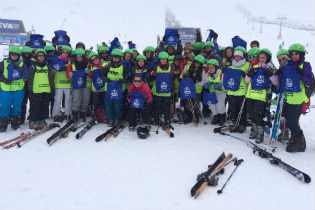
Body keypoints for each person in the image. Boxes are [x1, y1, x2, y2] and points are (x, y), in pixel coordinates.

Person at [277, 43, 312, 152]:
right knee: (288, 120)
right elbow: (283, 80)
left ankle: (300, 142)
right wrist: (279, 73)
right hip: (288, 98)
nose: (293, 55)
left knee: (293, 122)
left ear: (301, 54)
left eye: (296, 53)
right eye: (291, 53)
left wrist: (302, 74)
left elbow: (309, 81)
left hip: (298, 99)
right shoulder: (288, 65)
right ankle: (294, 138)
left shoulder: (305, 65)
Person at [245, 49, 278, 143]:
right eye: (260, 57)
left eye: (264, 57)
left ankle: (260, 132)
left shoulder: (270, 68)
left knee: (258, 115)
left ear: (267, 58)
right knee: (251, 114)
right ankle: (255, 129)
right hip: (250, 94)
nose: (262, 59)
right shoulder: (254, 67)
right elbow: (247, 81)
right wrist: (249, 74)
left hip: (261, 96)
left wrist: (270, 75)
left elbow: (276, 82)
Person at [224, 46, 250, 133]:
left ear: (242, 57)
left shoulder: (247, 65)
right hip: (232, 90)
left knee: (242, 109)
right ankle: (235, 122)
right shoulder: (232, 64)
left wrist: (245, 74)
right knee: (233, 109)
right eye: (235, 56)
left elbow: (250, 78)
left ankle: (242, 123)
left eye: (239, 56)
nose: (237, 58)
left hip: (242, 91)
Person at [0, 46, 26, 131]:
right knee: (5, 106)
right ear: (9, 54)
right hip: (6, 89)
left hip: (18, 89)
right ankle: (3, 123)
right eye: (12, 54)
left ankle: (15, 121)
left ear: (19, 56)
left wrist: (18, 67)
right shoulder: (3, 63)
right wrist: (3, 79)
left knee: (17, 106)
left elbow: (25, 75)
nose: (14, 56)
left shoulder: (22, 64)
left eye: (16, 55)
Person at [28, 49, 55, 129]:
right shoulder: (33, 67)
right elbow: (30, 80)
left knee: (44, 106)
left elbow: (51, 79)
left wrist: (52, 89)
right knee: (35, 106)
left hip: (46, 90)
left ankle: (41, 119)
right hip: (36, 90)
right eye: (39, 56)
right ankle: (32, 120)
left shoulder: (48, 67)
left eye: (42, 56)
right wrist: (30, 90)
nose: (41, 57)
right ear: (36, 57)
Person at [102, 49, 128, 127]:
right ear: (112, 57)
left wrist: (124, 80)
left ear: (120, 58)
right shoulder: (108, 65)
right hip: (109, 89)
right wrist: (105, 79)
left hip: (119, 89)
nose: (115, 59)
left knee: (118, 106)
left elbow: (126, 76)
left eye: (117, 57)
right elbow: (102, 75)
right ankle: (110, 119)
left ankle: (117, 119)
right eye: (114, 57)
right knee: (109, 105)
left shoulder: (123, 66)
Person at [181, 55, 207, 123]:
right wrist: (184, 76)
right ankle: (189, 115)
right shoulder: (188, 67)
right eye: (196, 62)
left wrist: (194, 84)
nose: (197, 64)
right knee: (187, 103)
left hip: (197, 90)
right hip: (188, 88)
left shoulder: (202, 71)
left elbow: (202, 82)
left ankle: (196, 116)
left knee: (195, 104)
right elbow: (181, 75)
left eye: (199, 63)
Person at [66, 49, 91, 121]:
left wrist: (89, 72)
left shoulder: (87, 64)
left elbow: (91, 74)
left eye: (81, 56)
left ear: (83, 57)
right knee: (76, 99)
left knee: (86, 99)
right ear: (75, 56)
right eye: (78, 56)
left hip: (86, 83)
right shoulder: (72, 65)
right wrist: (70, 74)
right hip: (77, 84)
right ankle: (75, 114)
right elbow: (68, 74)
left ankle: (83, 113)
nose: (79, 57)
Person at [150, 52, 173, 125]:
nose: (163, 61)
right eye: (162, 59)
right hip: (158, 91)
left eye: (164, 59)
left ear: (167, 60)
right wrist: (153, 74)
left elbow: (172, 79)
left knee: (166, 107)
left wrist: (173, 75)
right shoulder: (156, 67)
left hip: (167, 92)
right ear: (159, 60)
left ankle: (167, 119)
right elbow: (152, 77)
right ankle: (156, 119)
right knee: (157, 107)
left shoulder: (170, 67)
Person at [52, 45, 72, 121]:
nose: (64, 53)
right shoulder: (57, 60)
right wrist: (63, 68)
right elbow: (56, 67)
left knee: (68, 100)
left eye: (66, 52)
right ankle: (55, 115)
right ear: (61, 52)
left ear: (68, 53)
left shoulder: (70, 61)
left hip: (68, 83)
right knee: (57, 100)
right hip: (58, 83)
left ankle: (68, 114)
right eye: (63, 52)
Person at [203, 59, 226, 126]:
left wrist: (219, 86)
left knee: (219, 105)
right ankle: (216, 116)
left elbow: (225, 86)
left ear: (216, 67)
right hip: (212, 92)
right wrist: (206, 84)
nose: (210, 69)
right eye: (209, 67)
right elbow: (206, 81)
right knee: (212, 105)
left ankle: (222, 117)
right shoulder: (207, 74)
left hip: (220, 92)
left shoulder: (221, 74)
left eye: (212, 67)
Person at [88, 52, 105, 123]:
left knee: (103, 103)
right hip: (95, 89)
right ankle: (95, 116)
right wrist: (90, 75)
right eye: (93, 60)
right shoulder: (91, 67)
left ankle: (102, 116)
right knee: (96, 103)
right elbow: (89, 78)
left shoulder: (104, 65)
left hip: (103, 88)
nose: (95, 60)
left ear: (99, 58)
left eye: (96, 58)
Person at [20, 46, 33, 125]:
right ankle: (22, 117)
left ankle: (32, 116)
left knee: (32, 101)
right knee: (23, 101)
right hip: (23, 83)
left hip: (31, 83)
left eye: (28, 53)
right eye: (25, 53)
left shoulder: (33, 61)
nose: (26, 55)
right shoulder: (20, 61)